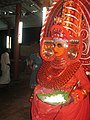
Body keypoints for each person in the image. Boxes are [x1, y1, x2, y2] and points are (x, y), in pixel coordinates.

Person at [30, 0, 90, 119]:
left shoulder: (75, 66)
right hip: (45, 108)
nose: (55, 48)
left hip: (68, 109)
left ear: (69, 47)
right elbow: (44, 82)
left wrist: (73, 97)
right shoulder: (49, 63)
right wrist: (37, 92)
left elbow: (86, 86)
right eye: (54, 44)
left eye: (59, 45)